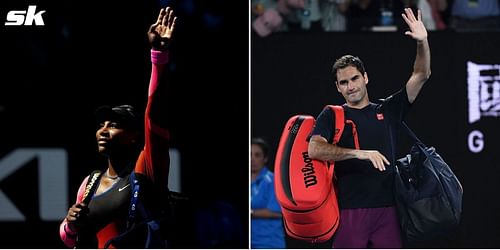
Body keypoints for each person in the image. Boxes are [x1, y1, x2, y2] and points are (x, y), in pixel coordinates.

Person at [308, 8, 430, 248]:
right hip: (350, 212)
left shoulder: (389, 109)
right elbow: (314, 149)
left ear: (365, 78)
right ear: (338, 88)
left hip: (389, 211)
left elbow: (421, 73)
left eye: (354, 78)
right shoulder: (333, 114)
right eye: (344, 82)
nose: (350, 86)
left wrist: (422, 42)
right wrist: (359, 152)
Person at [59, 7, 177, 248]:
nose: (103, 130)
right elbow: (68, 239)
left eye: (113, 125)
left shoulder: (146, 170)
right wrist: (70, 224)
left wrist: (158, 55)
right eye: (101, 125)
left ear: (134, 136)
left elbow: (154, 116)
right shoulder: (89, 183)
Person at [251, 137, 285, 249]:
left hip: (269, 244)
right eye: (249, 154)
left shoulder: (273, 181)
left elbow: (276, 212)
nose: (252, 159)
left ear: (265, 158)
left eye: (257, 155)